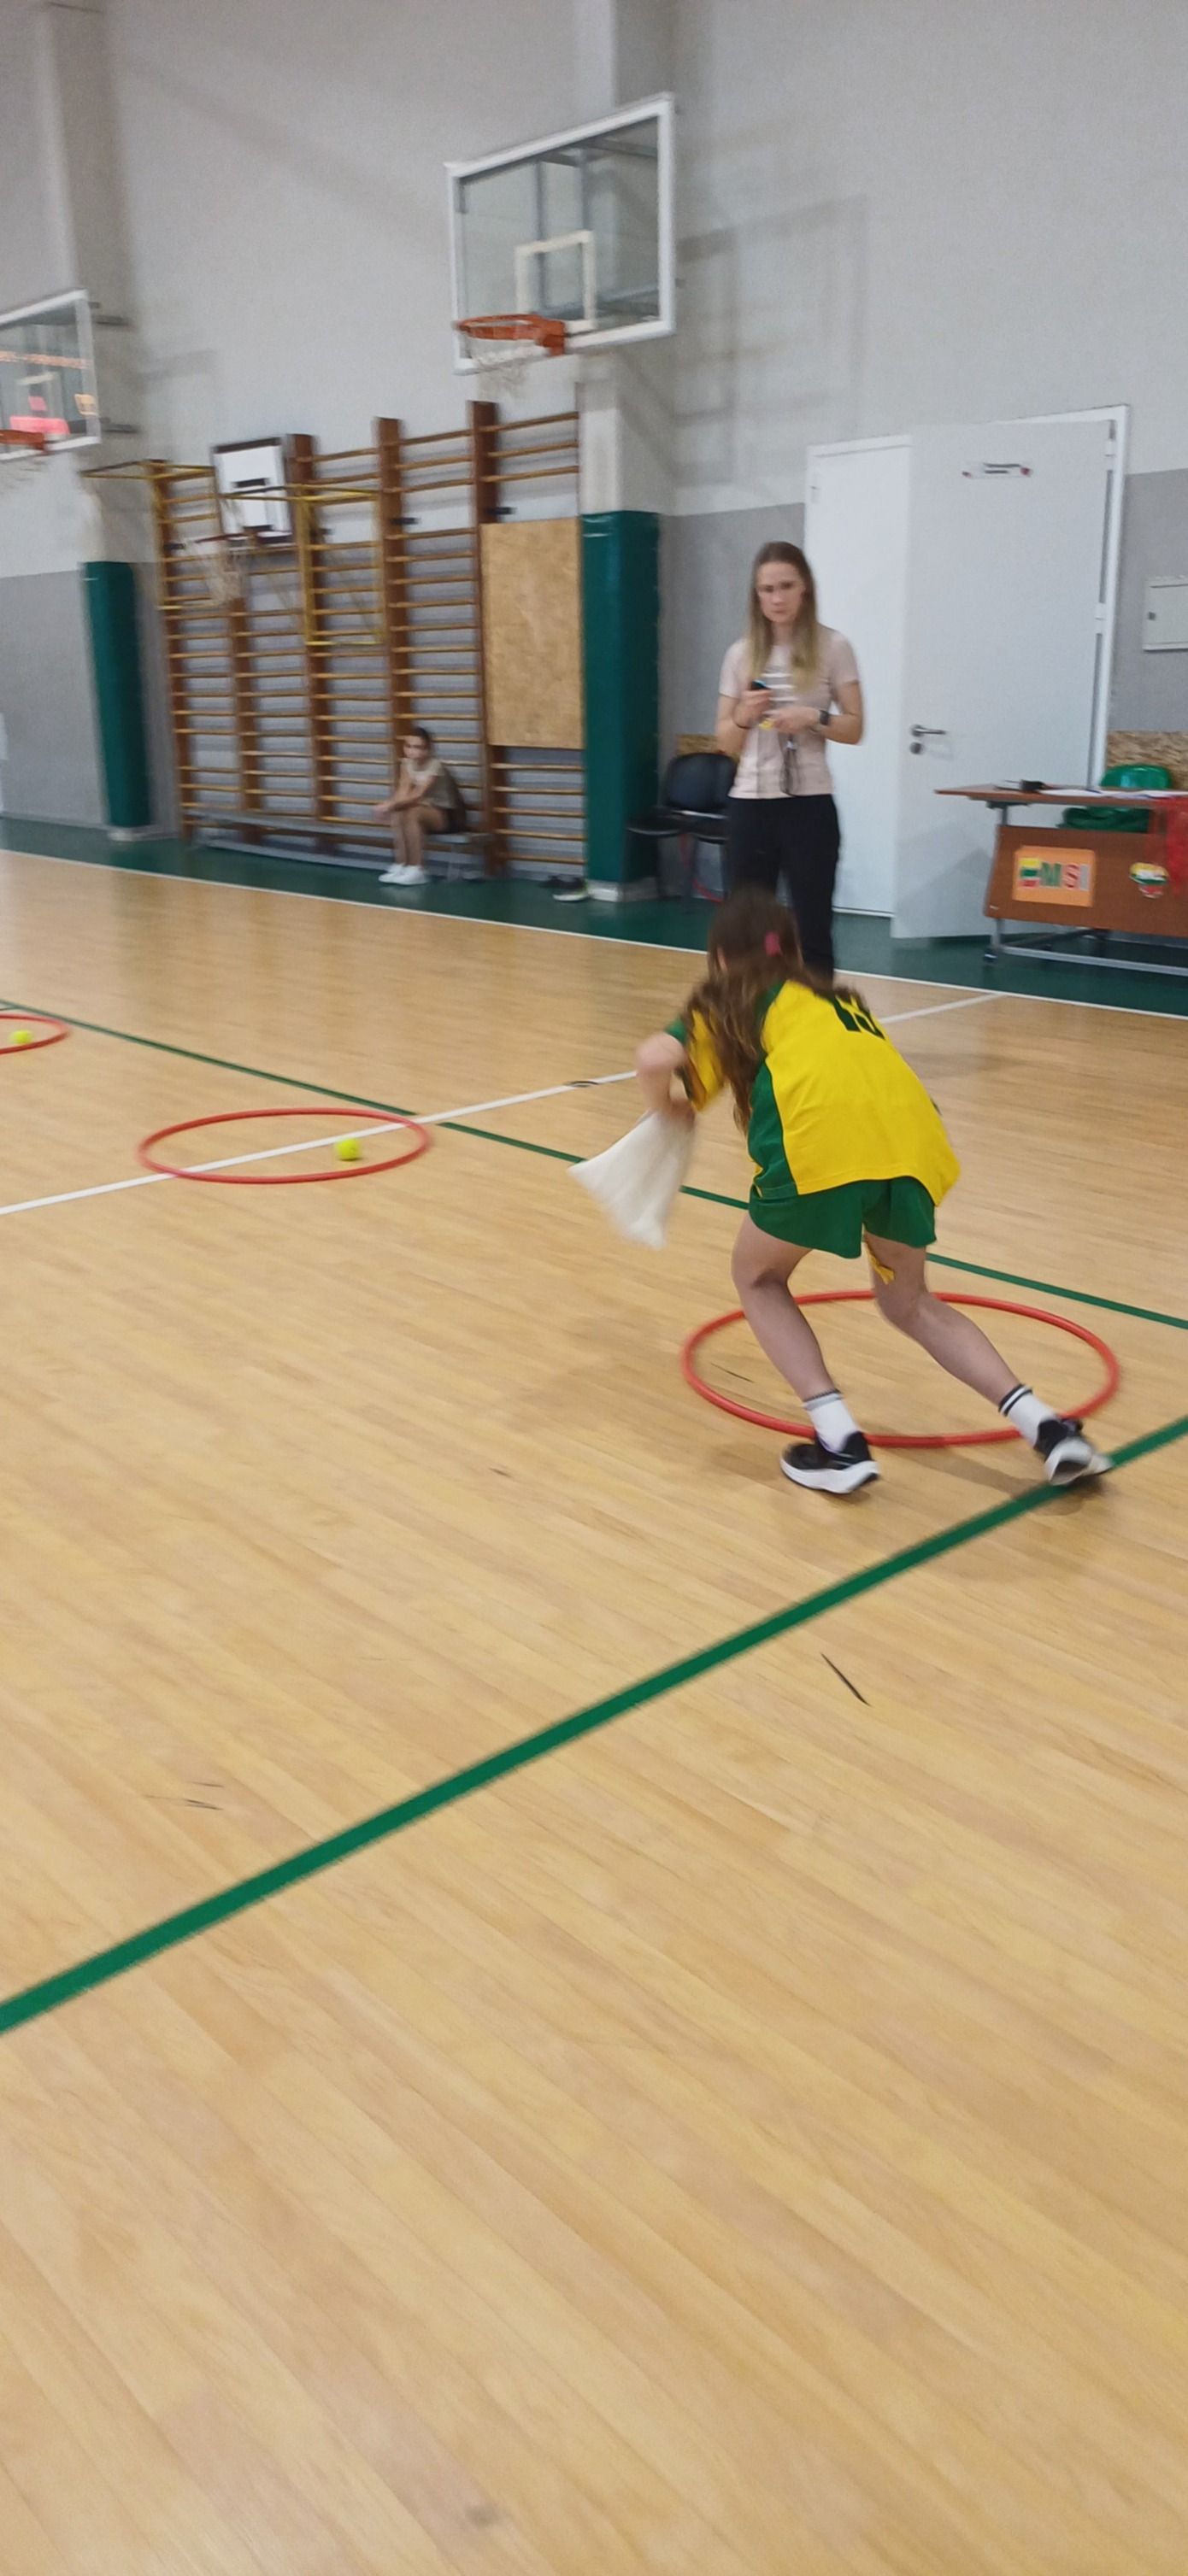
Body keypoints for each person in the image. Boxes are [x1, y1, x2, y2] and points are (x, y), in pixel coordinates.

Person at [635, 889, 1111, 1496]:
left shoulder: (728, 997)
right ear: (794, 953)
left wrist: (667, 1110)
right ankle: (1047, 1427)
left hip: (823, 1142)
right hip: (912, 1142)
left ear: (721, 959)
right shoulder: (837, 1001)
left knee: (758, 1278)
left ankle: (840, 1443)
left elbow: (653, 1056)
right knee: (910, 1303)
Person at [715, 541, 863, 982]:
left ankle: (817, 1016)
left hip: (809, 804)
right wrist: (744, 715)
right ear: (756, 596)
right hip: (751, 802)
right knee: (748, 929)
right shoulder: (740, 654)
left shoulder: (834, 646)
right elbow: (725, 740)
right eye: (767, 590)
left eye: (786, 586)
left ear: (805, 589)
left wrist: (814, 718)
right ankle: (751, 1013)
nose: (777, 599)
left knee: (813, 924)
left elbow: (855, 727)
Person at [373, 725, 460, 887]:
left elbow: (419, 794)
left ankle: (418, 869)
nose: (413, 751)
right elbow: (403, 791)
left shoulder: (435, 766)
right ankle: (402, 864)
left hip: (444, 815)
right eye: (409, 746)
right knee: (399, 814)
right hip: (422, 810)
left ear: (428, 749)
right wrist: (391, 807)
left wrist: (390, 805)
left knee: (413, 813)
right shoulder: (406, 764)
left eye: (418, 747)